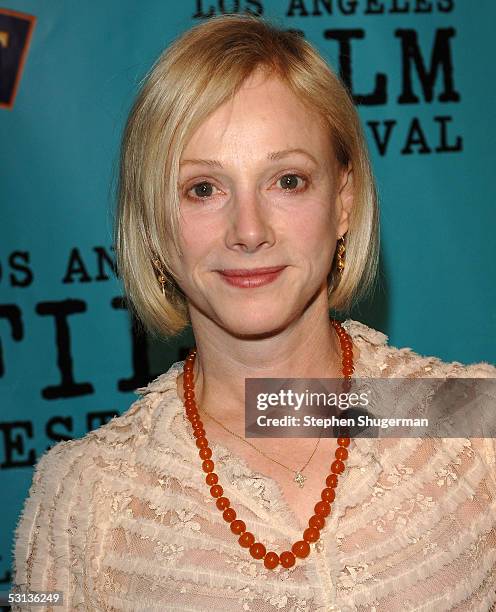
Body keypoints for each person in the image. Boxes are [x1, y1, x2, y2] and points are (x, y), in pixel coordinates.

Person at [13, 14, 496, 612]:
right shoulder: (81, 494)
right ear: (155, 225)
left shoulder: (476, 422)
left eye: (287, 180)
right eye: (203, 189)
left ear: (343, 202)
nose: (248, 231)